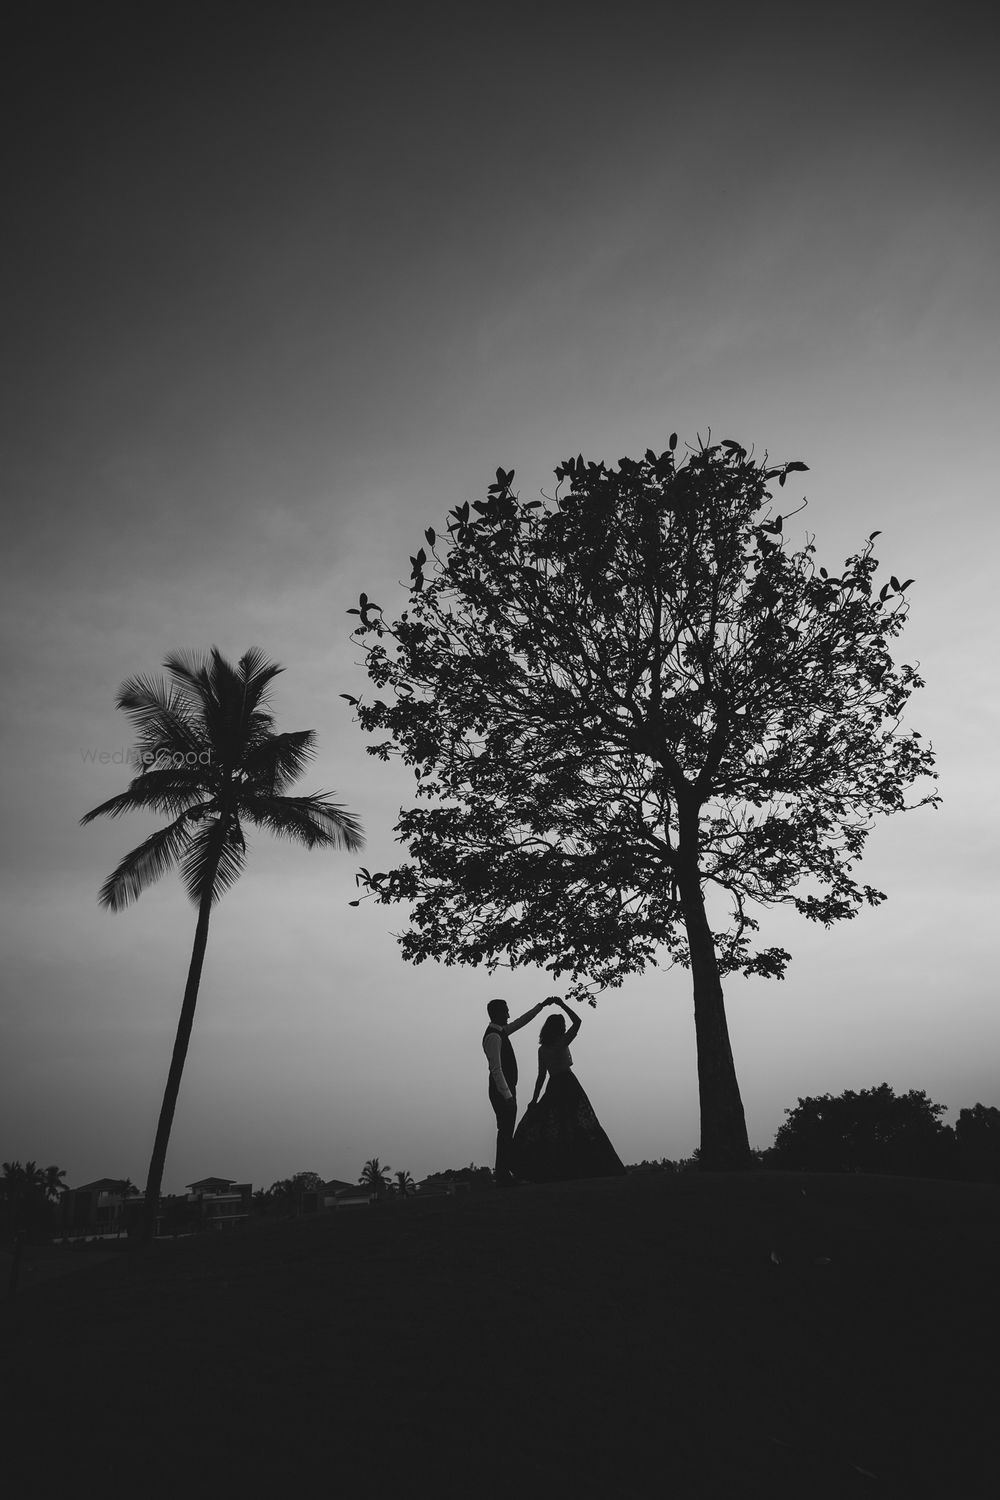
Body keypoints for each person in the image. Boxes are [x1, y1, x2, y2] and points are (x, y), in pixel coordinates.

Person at [512, 998, 626, 1182]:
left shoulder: (543, 1050)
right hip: (567, 1084)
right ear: (558, 1028)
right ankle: (578, 1167)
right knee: (575, 1125)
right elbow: (578, 1022)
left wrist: (535, 1099)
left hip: (554, 1086)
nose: (565, 1028)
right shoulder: (561, 1043)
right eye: (562, 1026)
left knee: (560, 1127)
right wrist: (562, 1004)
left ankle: (566, 1168)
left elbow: (541, 1076)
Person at [483, 996, 559, 1185]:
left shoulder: (501, 1032)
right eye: (506, 1011)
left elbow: (521, 1022)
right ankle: (502, 1175)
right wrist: (508, 1095)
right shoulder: (493, 1036)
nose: (509, 1014)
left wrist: (540, 1006)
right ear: (498, 1013)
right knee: (505, 1132)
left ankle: (504, 1172)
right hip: (502, 1092)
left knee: (506, 1132)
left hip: (506, 1090)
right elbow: (496, 1069)